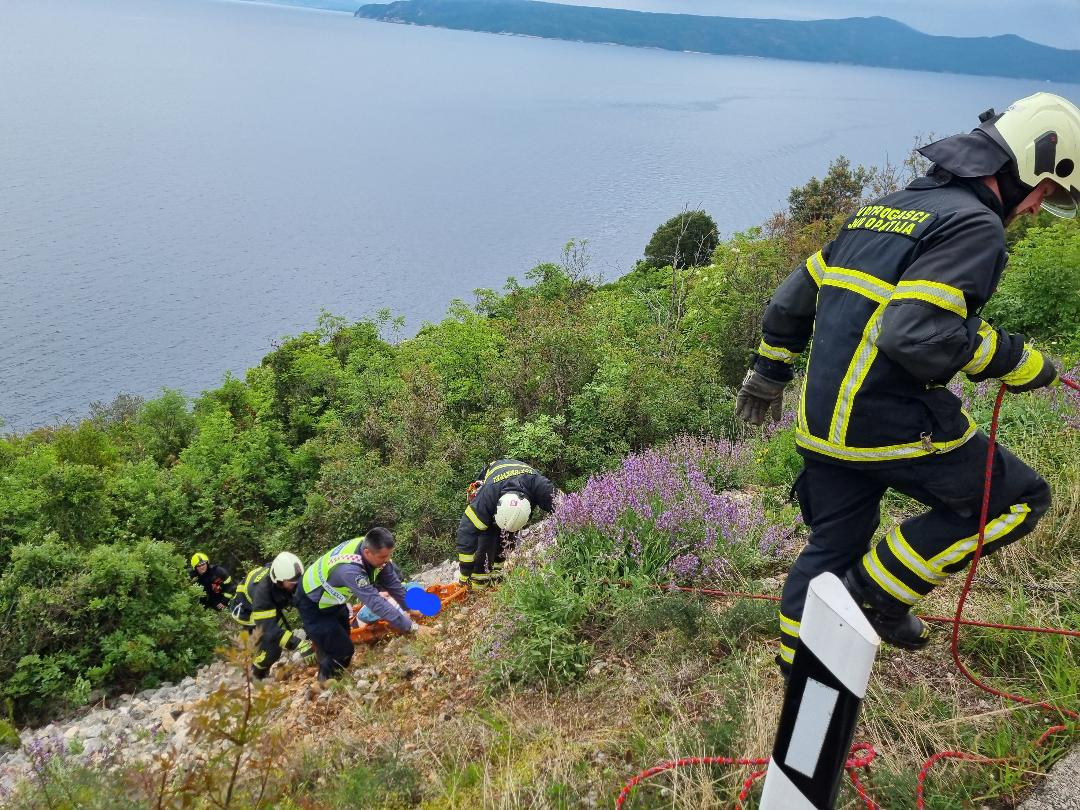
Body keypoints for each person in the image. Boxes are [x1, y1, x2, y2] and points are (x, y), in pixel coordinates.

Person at [736, 92, 1080, 676]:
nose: (1035, 208)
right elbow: (915, 334)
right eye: (1046, 189)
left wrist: (768, 374)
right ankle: (876, 593)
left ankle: (802, 672)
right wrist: (1016, 361)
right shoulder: (974, 226)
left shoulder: (885, 208)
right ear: (1027, 164)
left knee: (830, 546)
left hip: (822, 424)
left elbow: (794, 297)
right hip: (886, 421)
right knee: (1018, 499)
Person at [297, 528, 435, 683]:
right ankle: (326, 685)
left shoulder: (373, 548)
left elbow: (393, 584)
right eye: (383, 556)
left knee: (341, 637)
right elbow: (376, 604)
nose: (388, 559)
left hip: (335, 600)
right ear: (368, 553)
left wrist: (409, 608)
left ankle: (331, 666)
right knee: (343, 649)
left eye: (389, 555)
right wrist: (413, 628)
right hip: (312, 602)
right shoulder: (350, 569)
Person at [457, 459, 556, 589]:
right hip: (494, 478)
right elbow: (466, 532)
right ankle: (477, 584)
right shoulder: (487, 497)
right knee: (486, 537)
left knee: (507, 539)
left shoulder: (542, 487)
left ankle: (497, 576)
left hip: (519, 481)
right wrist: (465, 574)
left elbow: (567, 507)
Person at [229, 552, 313, 680]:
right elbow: (269, 629)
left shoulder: (287, 577)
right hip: (248, 612)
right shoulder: (263, 594)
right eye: (292, 582)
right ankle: (256, 674)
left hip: (269, 603)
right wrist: (297, 643)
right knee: (272, 649)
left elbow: (302, 600)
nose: (297, 584)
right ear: (279, 581)